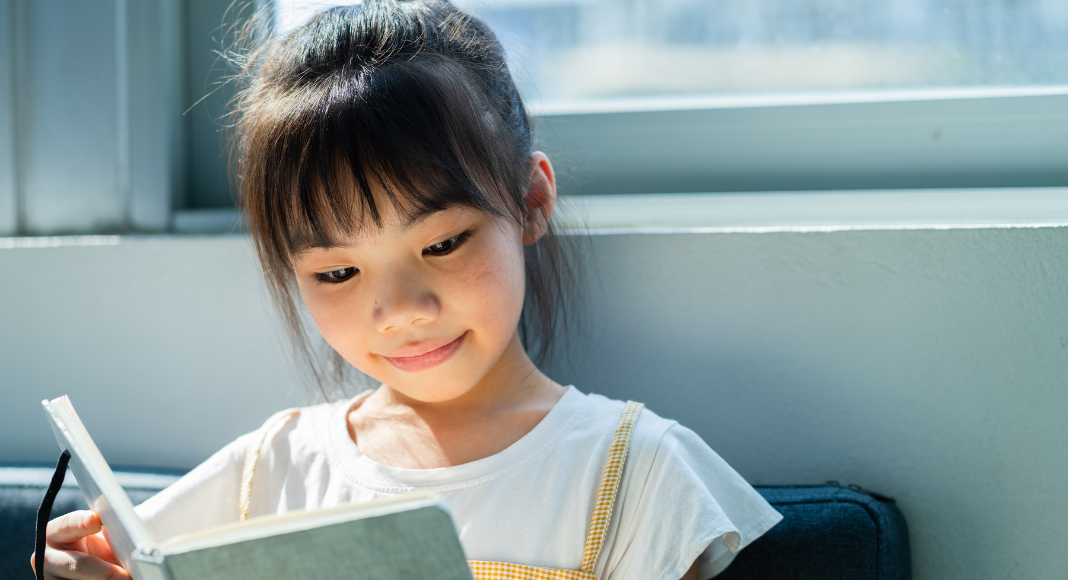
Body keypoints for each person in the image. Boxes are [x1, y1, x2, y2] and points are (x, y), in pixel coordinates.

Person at [34, 1, 781, 578]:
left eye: (443, 243)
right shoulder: (274, 468)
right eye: (337, 273)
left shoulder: (638, 473)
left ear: (531, 202)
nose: (401, 313)